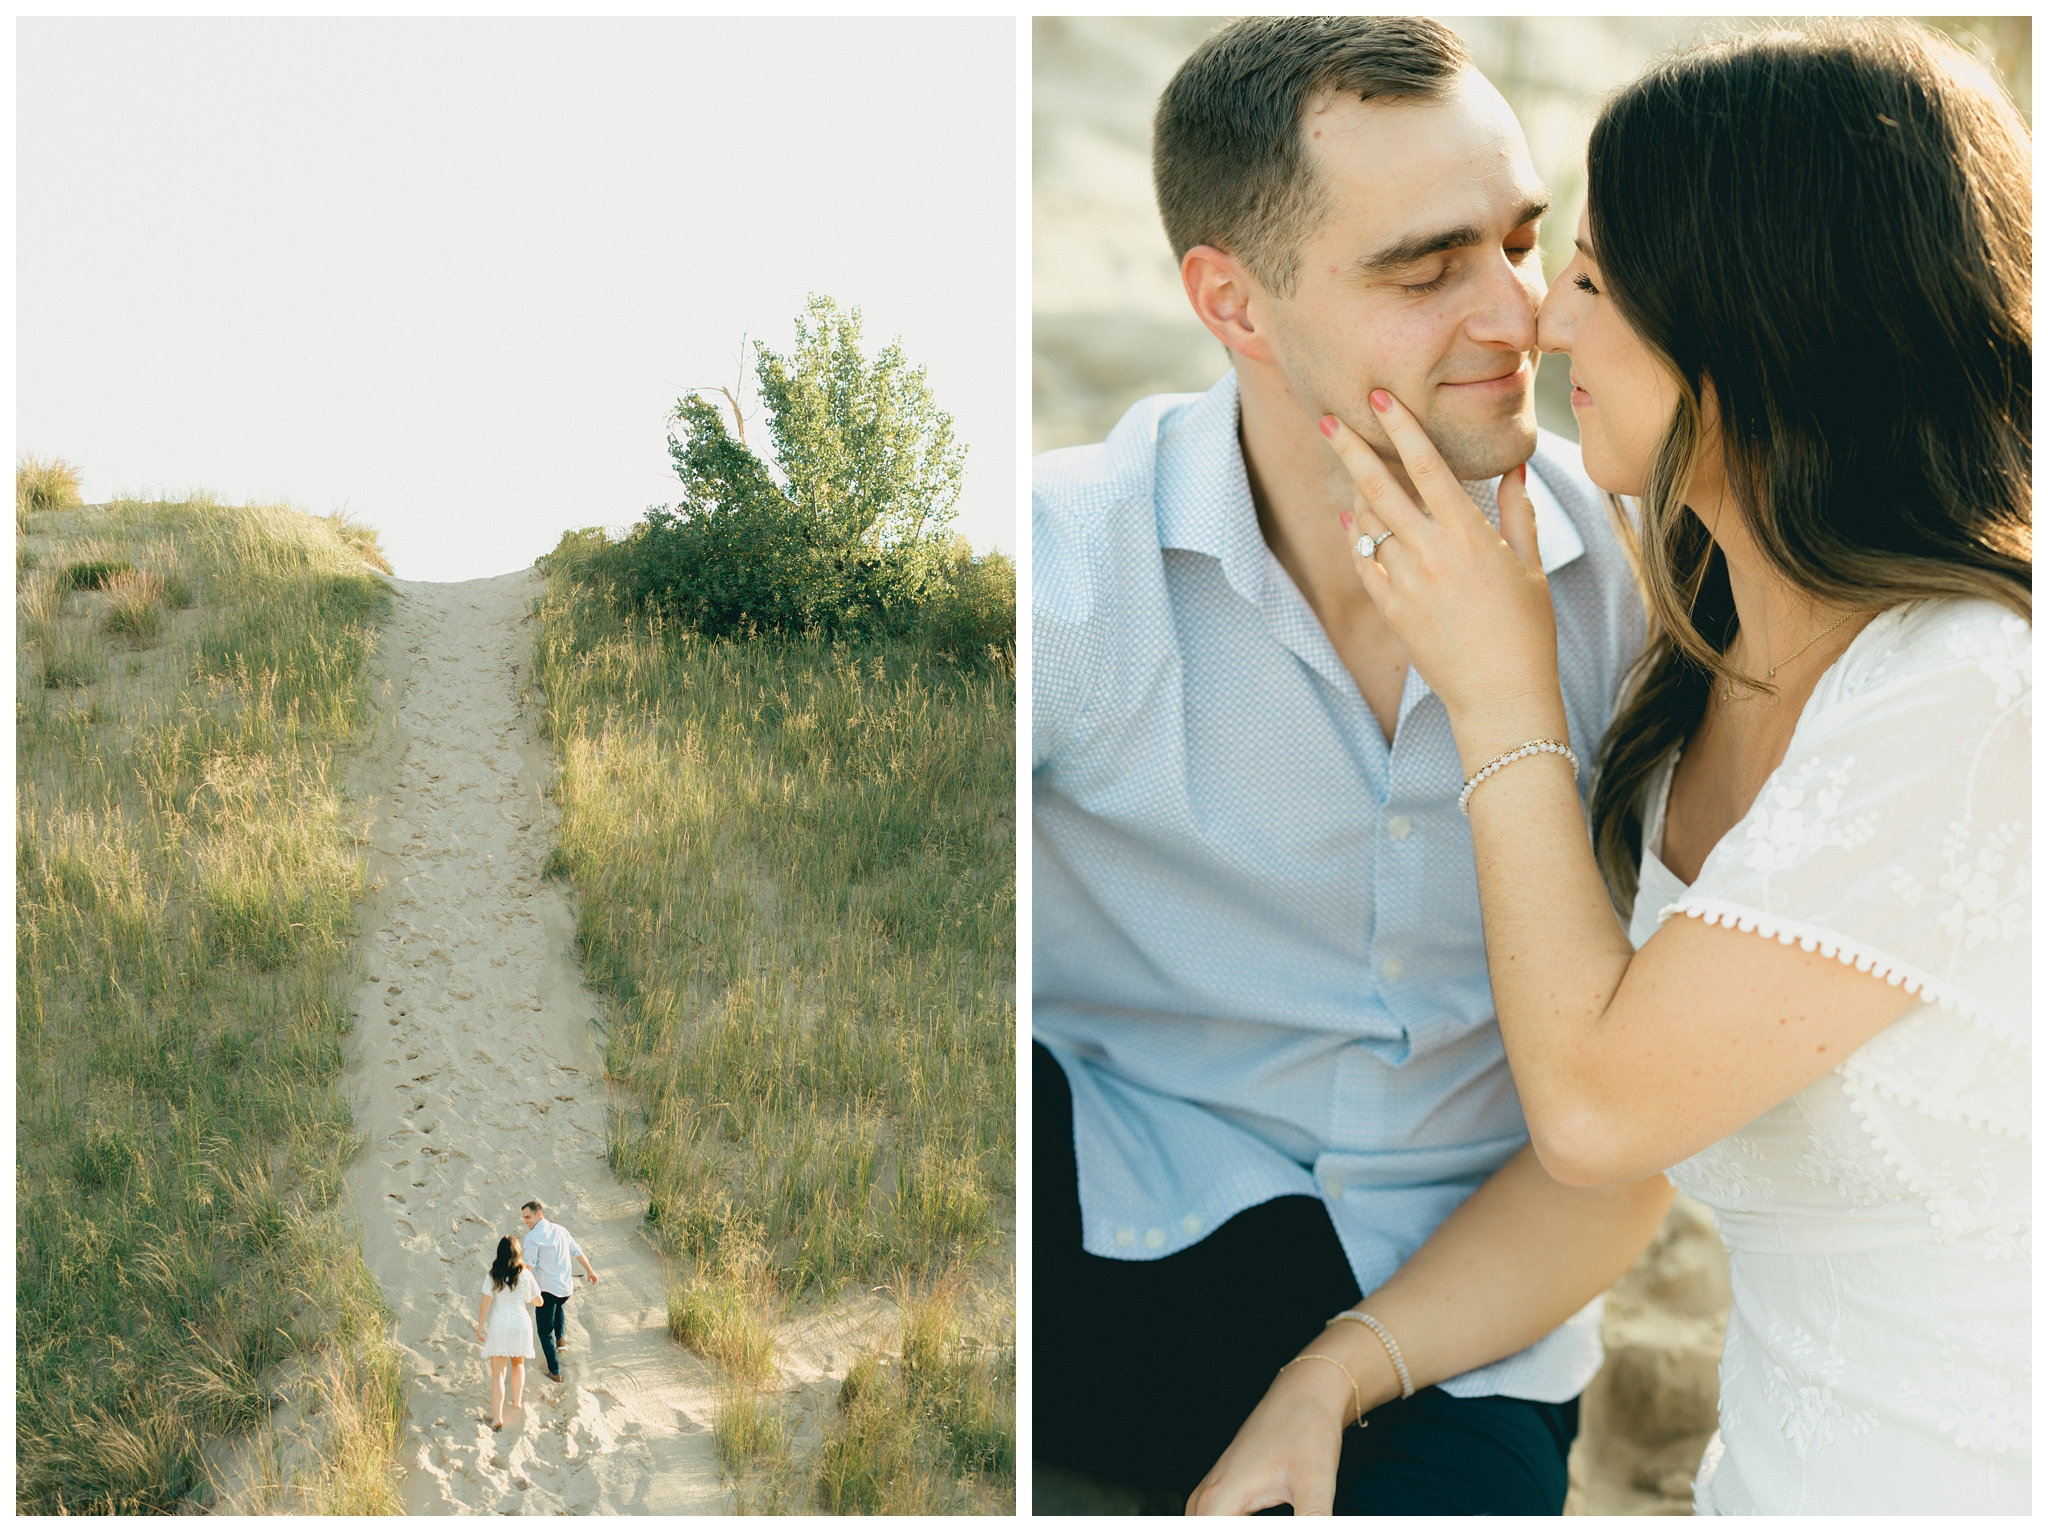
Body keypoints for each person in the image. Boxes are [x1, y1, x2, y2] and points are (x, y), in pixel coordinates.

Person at [1319, 19, 2028, 1515]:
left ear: (1757, 314)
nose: (1549, 329)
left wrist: (1497, 690)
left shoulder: (1976, 696)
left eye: (1590, 275)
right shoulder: (1708, 655)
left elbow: (1594, 1112)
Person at [1034, 16, 1673, 1515]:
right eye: (1425, 267)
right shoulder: (1069, 572)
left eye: (1524, 241)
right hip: (1112, 1202)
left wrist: (1334, 1371)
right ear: (1234, 304)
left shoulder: (1656, 604)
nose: (1522, 317)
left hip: (1461, 1316)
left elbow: (1634, 1143)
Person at [520, 1199, 597, 1382]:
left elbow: (528, 1268)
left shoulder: (532, 1238)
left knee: (544, 1331)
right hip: (565, 1290)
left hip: (547, 1291)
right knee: (558, 1305)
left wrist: (525, 1293)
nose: (525, 1221)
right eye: (523, 1218)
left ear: (539, 1214)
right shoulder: (561, 1230)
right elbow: (577, 1251)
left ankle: (554, 1371)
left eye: (528, 1217)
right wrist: (590, 1270)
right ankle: (561, 1339)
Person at [476, 1234, 543, 1431]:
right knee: (518, 1363)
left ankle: (497, 1416)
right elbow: (540, 1301)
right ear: (518, 1253)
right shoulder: (525, 1274)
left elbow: (486, 1300)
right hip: (520, 1322)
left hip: (499, 1323)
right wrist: (528, 1299)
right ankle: (517, 1401)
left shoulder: (493, 1273)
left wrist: (480, 1325)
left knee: (498, 1373)